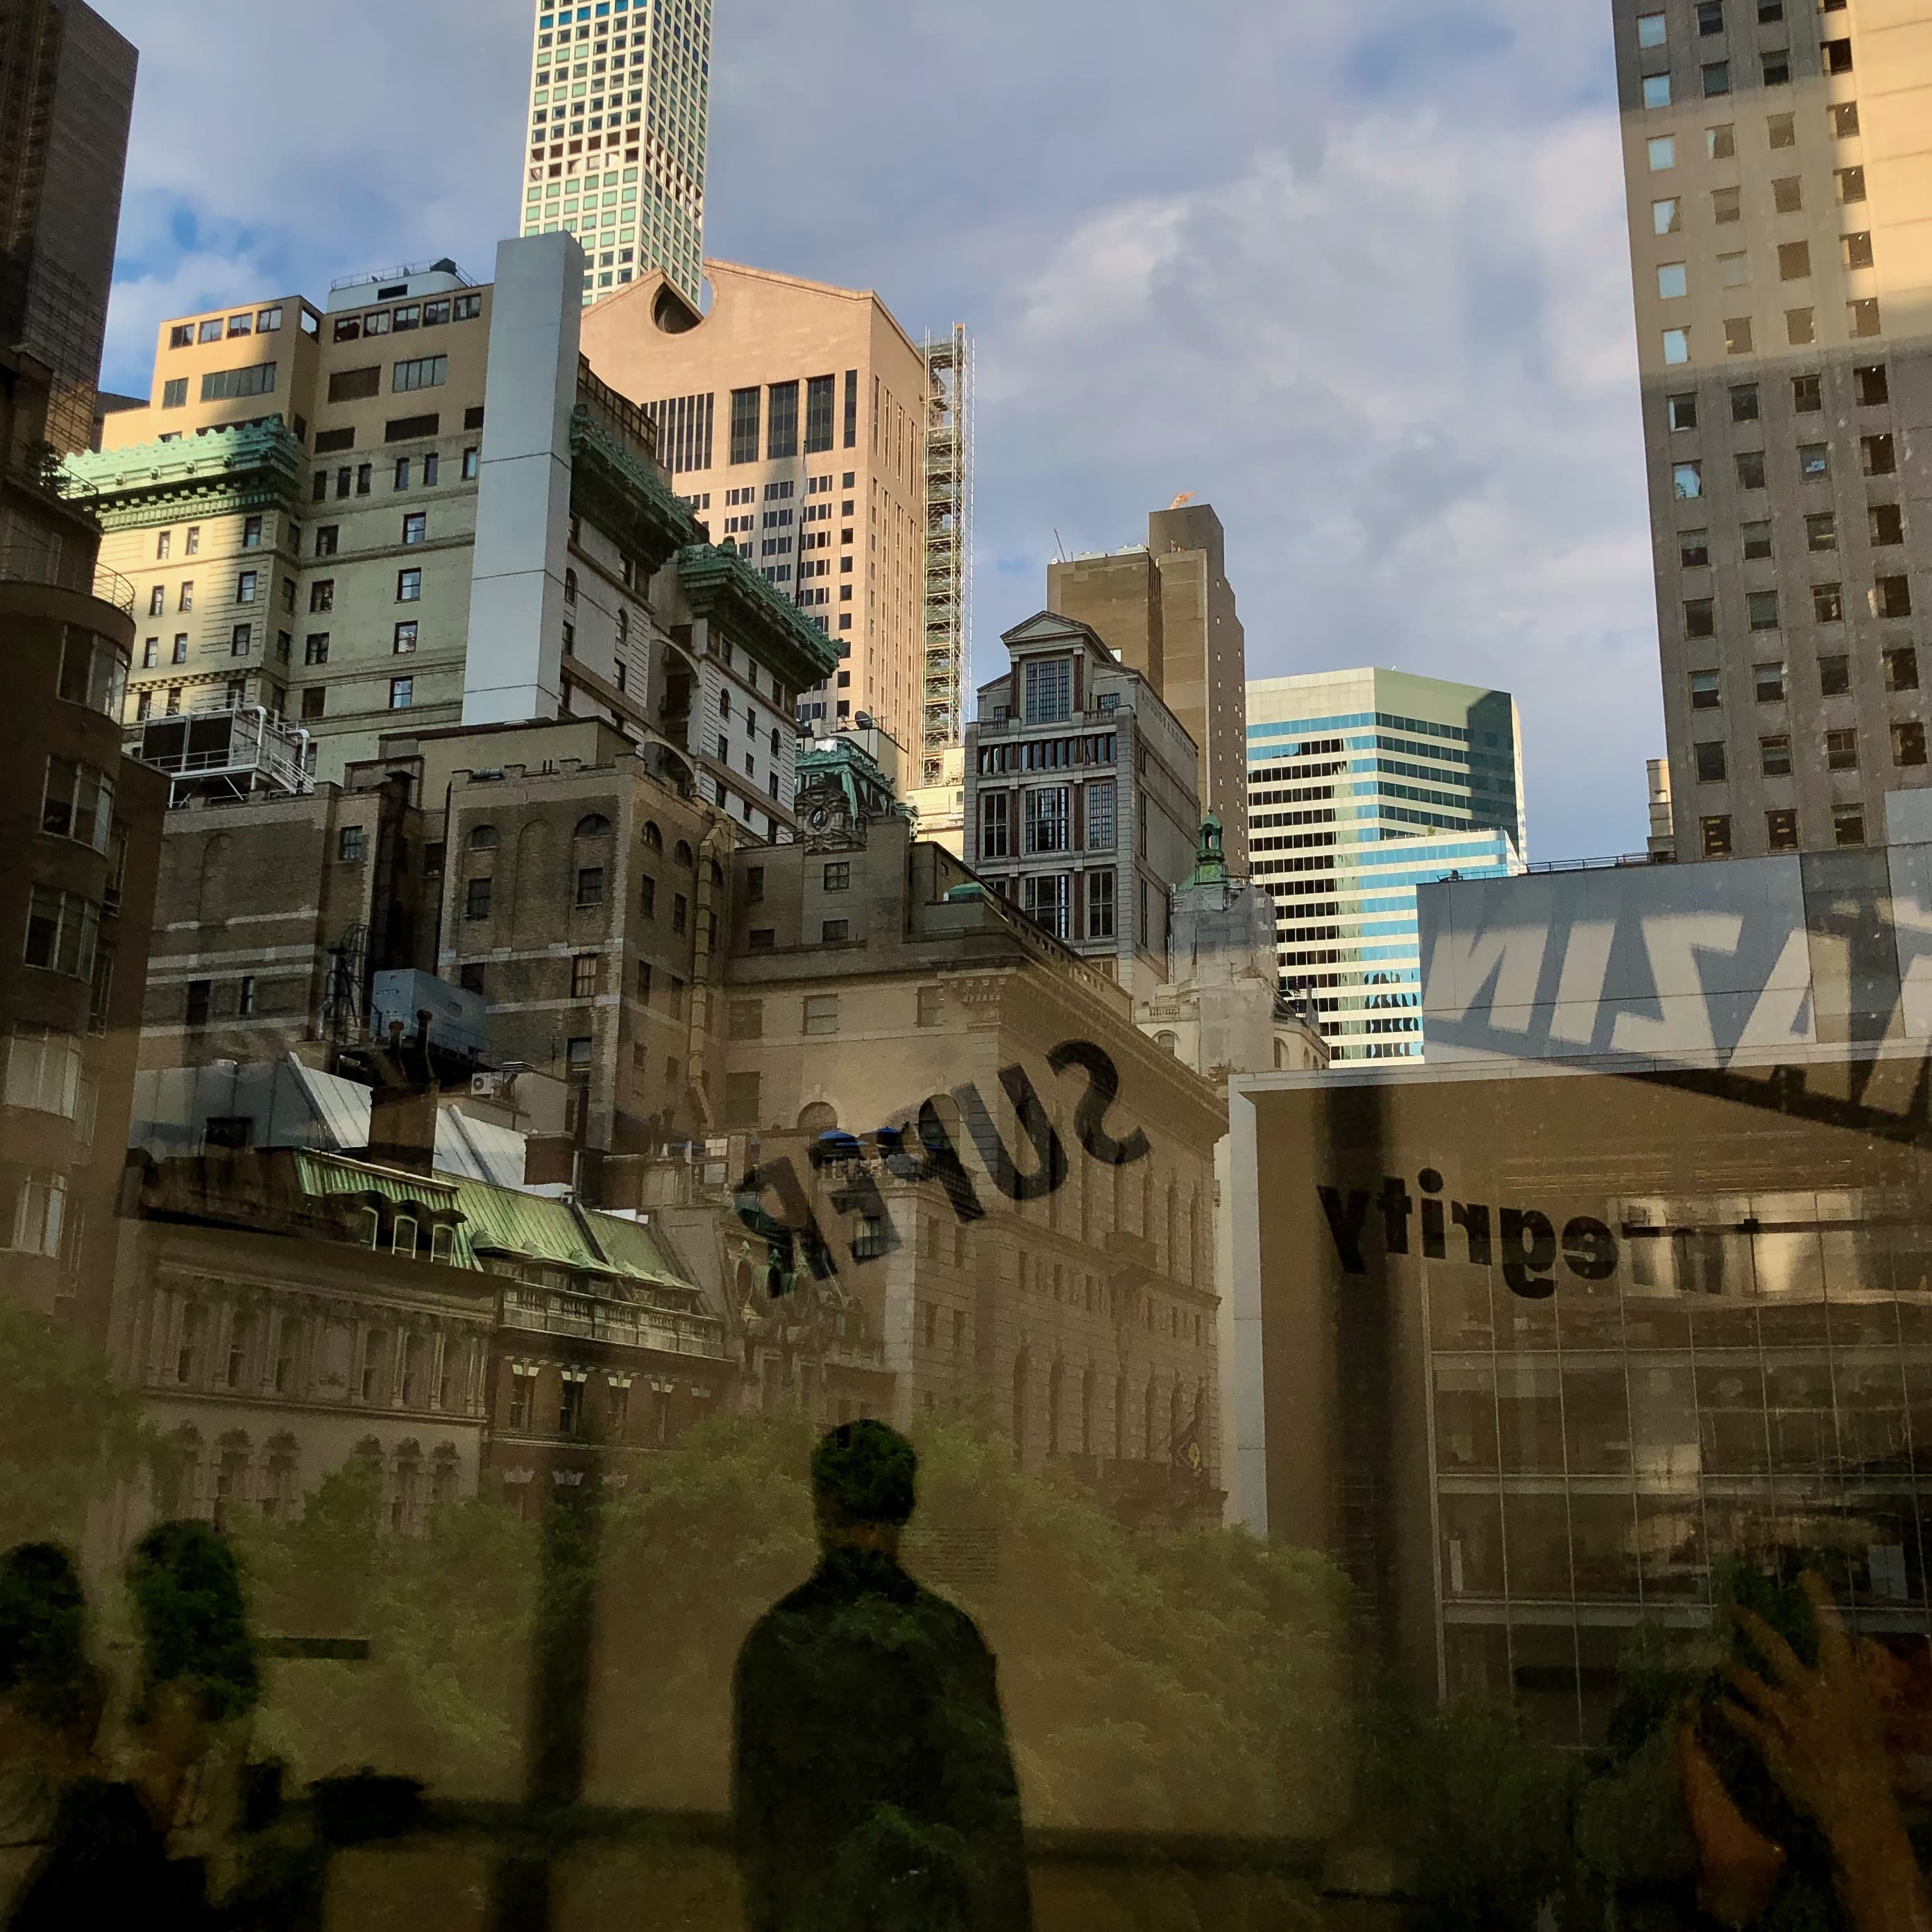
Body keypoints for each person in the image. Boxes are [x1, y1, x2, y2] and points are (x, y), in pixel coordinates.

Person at [731, 1421, 1031, 1932]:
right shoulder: (948, 1638)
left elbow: (759, 1831)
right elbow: (990, 1822)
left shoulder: (775, 1641)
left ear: (822, 1506)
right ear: (907, 1508)